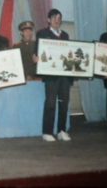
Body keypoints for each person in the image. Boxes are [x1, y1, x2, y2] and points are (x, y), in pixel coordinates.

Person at [36, 9, 73, 142]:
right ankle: (47, 132)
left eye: (58, 18)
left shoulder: (65, 35)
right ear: (48, 20)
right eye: (53, 18)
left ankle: (61, 131)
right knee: (50, 103)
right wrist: (36, 57)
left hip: (65, 75)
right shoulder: (42, 33)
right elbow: (37, 50)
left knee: (64, 103)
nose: (56, 21)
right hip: (51, 75)